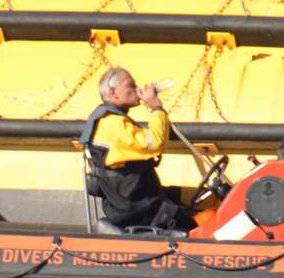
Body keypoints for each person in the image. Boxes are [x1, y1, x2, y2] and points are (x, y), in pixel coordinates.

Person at [79, 66, 197, 232]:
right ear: (113, 92)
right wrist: (156, 108)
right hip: (139, 208)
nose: (137, 89)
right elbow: (155, 143)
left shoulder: (107, 119)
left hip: (137, 198)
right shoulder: (114, 125)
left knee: (202, 196)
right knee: (198, 219)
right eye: (131, 85)